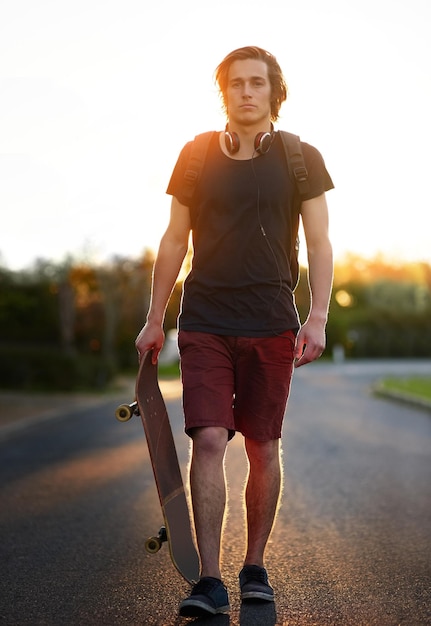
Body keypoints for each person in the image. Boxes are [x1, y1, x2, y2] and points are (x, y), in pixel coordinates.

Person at [135, 46, 334, 617]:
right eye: (236, 83)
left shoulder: (301, 158)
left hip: (272, 319)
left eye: (257, 83)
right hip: (205, 319)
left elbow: (319, 242)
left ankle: (255, 567)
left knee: (264, 444)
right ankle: (209, 580)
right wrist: (155, 317)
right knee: (209, 438)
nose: (246, 92)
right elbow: (175, 240)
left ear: (275, 92)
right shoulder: (195, 156)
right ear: (222, 92)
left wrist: (317, 315)